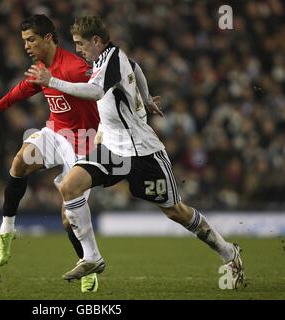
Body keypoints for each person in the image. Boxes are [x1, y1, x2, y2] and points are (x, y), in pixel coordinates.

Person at [25, 15, 245, 289]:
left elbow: (94, 92)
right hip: (112, 150)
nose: (78, 49)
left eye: (81, 44)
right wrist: (147, 96)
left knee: (176, 211)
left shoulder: (111, 58)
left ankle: (229, 252)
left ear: (96, 41)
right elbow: (137, 68)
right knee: (70, 186)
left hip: (143, 153)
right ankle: (92, 257)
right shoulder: (107, 59)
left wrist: (52, 81)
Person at [0, 14, 102, 293]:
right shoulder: (40, 67)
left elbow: (102, 91)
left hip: (84, 145)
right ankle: (7, 231)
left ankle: (87, 262)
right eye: (24, 41)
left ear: (48, 38)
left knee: (67, 217)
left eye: (31, 39)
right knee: (20, 162)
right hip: (56, 133)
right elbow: (25, 89)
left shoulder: (75, 67)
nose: (26, 46)